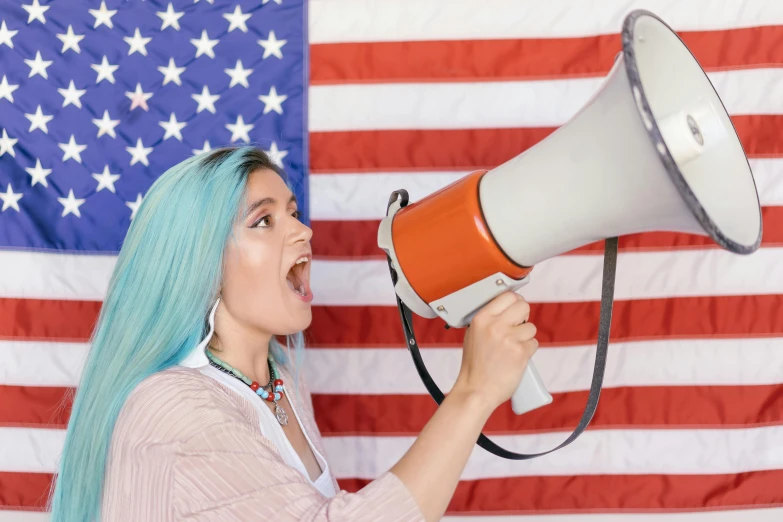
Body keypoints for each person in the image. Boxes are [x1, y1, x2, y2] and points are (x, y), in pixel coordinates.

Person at [46, 146, 539, 522]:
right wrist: (472, 393)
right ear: (201, 263)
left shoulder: (277, 379)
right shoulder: (172, 406)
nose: (302, 232)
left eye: (294, 211)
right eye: (263, 220)